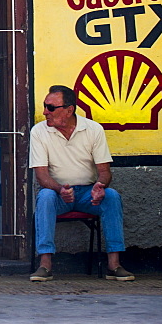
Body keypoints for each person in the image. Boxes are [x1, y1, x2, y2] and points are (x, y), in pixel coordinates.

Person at [29, 85, 134, 282]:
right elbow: (41, 176)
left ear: (69, 110)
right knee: (44, 196)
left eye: (51, 108)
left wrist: (100, 186)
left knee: (112, 196)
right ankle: (45, 265)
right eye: (45, 106)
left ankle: (114, 265)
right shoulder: (39, 132)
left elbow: (104, 172)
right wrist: (60, 189)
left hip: (87, 193)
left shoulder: (93, 129)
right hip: (58, 193)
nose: (45, 112)